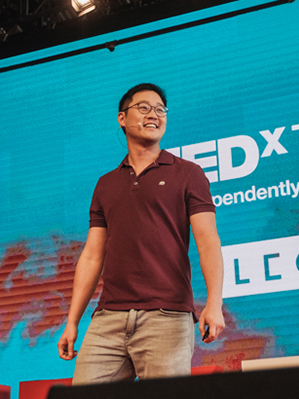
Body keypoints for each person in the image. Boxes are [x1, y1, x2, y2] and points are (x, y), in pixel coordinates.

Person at [57, 83, 225, 383]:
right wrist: (72, 322)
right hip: (107, 318)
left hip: (167, 317)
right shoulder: (105, 184)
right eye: (144, 108)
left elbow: (208, 240)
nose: (154, 115)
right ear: (122, 118)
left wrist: (214, 303)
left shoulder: (188, 173)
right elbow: (93, 256)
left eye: (161, 110)